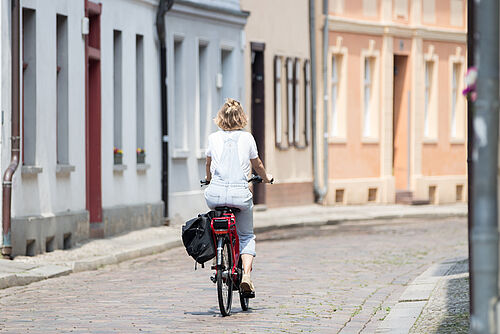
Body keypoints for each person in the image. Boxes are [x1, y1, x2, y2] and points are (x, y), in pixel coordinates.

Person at [204, 98, 272, 295]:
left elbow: (208, 164)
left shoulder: (212, 138)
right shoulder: (247, 138)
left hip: (215, 195)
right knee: (246, 235)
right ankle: (246, 277)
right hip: (240, 196)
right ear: (242, 117)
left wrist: (209, 180)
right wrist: (266, 178)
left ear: (220, 118)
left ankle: (218, 251)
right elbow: (257, 164)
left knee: (216, 219)